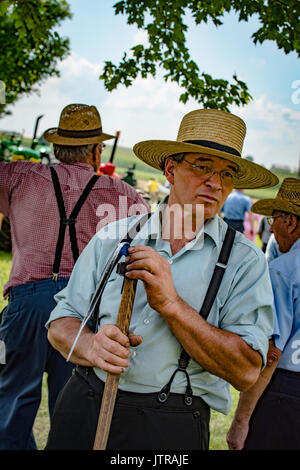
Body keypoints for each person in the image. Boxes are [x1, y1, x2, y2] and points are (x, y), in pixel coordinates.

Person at [45, 108, 278, 451]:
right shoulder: (115, 237)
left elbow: (245, 371)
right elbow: (60, 324)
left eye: (227, 174)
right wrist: (91, 346)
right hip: (85, 405)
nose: (215, 183)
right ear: (170, 169)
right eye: (202, 166)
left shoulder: (247, 262)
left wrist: (172, 306)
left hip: (169, 424)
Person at [0, 103, 149, 450]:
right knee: (73, 408)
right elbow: (149, 242)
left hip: (24, 305)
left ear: (55, 147)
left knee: (10, 403)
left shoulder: (20, 175)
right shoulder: (122, 194)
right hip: (83, 312)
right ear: (97, 151)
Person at [227, 177, 300, 450]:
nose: (271, 226)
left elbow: (272, 353)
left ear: (291, 222)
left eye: (274, 218)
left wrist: (241, 420)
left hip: (287, 391)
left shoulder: (283, 271)